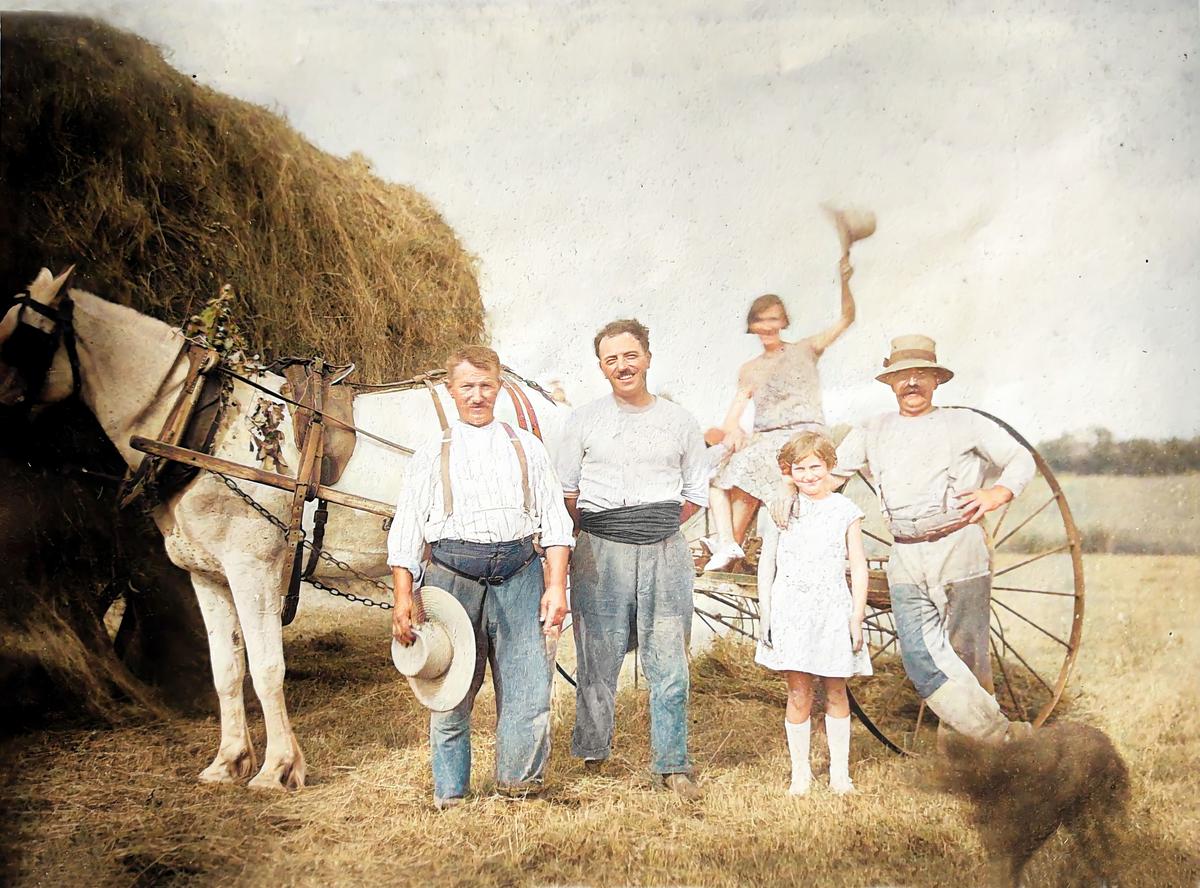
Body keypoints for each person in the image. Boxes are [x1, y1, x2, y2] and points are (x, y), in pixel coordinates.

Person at [820, 334, 1036, 743]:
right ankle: (1006, 741)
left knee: (966, 655)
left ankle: (966, 756)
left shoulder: (964, 423)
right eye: (903, 376)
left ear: (937, 380)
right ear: (890, 383)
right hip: (905, 553)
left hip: (959, 549)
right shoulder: (873, 428)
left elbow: (1020, 458)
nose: (912, 383)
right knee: (920, 657)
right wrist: (788, 492)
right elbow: (831, 478)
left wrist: (996, 493)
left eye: (921, 375)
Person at [388, 345, 574, 809]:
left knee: (528, 688)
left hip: (519, 574)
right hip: (453, 580)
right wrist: (403, 596)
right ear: (451, 391)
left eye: (486, 386)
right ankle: (451, 793)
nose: (477, 396)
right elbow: (408, 529)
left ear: (500, 388)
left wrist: (554, 586)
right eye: (467, 387)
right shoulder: (433, 452)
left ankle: (519, 788)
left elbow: (555, 524)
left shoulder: (526, 446)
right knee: (450, 689)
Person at [556, 318, 709, 800]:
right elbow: (567, 492)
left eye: (630, 355)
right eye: (611, 359)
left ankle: (672, 762)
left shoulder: (680, 420)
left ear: (647, 356)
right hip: (600, 549)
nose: (623, 366)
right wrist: (609, 534)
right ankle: (592, 750)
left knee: (669, 660)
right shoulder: (583, 419)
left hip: (665, 551)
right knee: (597, 657)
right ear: (601, 367)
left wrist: (652, 528)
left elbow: (696, 494)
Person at [704, 257, 857, 571]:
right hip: (766, 439)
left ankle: (728, 543)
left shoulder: (805, 348)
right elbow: (733, 415)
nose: (768, 326)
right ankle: (730, 544)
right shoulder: (750, 369)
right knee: (723, 465)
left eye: (774, 319)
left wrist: (845, 282)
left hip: (805, 436)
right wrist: (733, 431)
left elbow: (846, 318)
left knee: (747, 464)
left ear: (783, 321)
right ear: (753, 326)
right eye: (761, 321)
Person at [755, 431, 871, 795]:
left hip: (832, 609)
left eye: (815, 467)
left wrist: (856, 615)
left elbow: (859, 565)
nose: (808, 475)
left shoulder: (845, 511)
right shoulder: (780, 509)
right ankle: (800, 774)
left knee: (836, 690)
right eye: (800, 469)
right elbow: (766, 564)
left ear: (830, 467)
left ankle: (840, 774)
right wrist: (766, 614)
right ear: (789, 472)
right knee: (798, 692)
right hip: (792, 608)